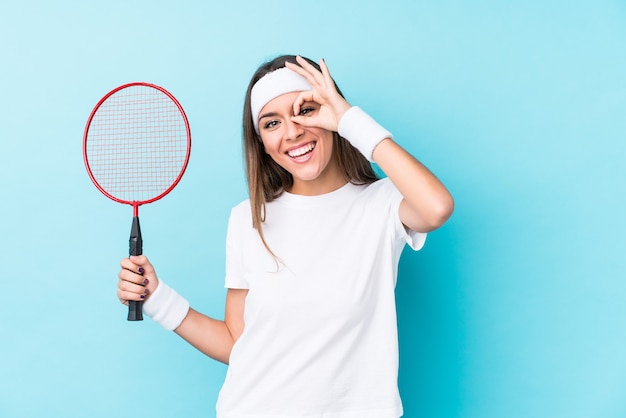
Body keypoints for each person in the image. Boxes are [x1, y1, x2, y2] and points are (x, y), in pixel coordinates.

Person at [117, 54, 454, 418]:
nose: (292, 132)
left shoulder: (383, 204)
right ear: (261, 141)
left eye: (304, 110)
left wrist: (349, 120)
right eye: (272, 122)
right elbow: (237, 343)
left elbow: (436, 207)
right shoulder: (248, 218)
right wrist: (157, 298)